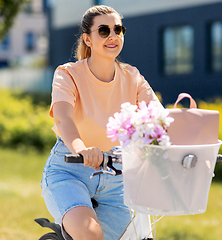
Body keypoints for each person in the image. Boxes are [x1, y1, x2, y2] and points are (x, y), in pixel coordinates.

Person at [41, 5, 162, 240]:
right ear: (88, 39)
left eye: (118, 29)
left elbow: (158, 118)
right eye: (104, 30)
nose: (113, 36)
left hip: (117, 174)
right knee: (91, 235)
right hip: (70, 170)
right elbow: (63, 118)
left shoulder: (133, 76)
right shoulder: (68, 74)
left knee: (137, 236)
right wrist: (82, 150)